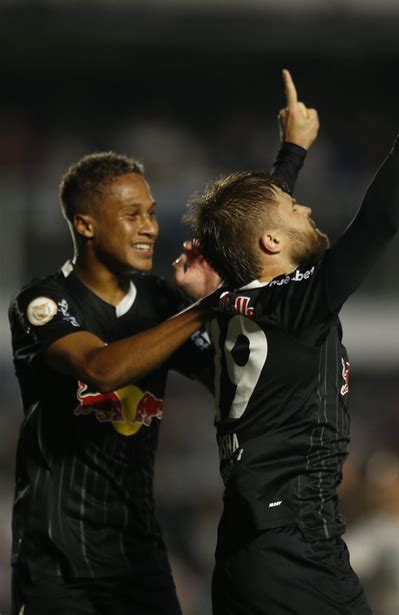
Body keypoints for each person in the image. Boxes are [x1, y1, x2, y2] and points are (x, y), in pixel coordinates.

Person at [185, 14, 399, 615]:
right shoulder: (297, 300)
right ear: (273, 246)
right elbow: (381, 217)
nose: (305, 206)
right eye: (293, 204)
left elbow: (252, 235)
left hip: (242, 557)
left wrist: (291, 151)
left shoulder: (237, 304)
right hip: (299, 554)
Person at [8, 94, 316, 613]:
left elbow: (231, 384)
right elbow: (100, 369)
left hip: (139, 554)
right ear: (85, 225)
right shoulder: (43, 302)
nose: (151, 227)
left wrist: (291, 156)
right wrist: (206, 307)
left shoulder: (161, 302)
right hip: (58, 561)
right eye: (132, 215)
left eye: (151, 213)